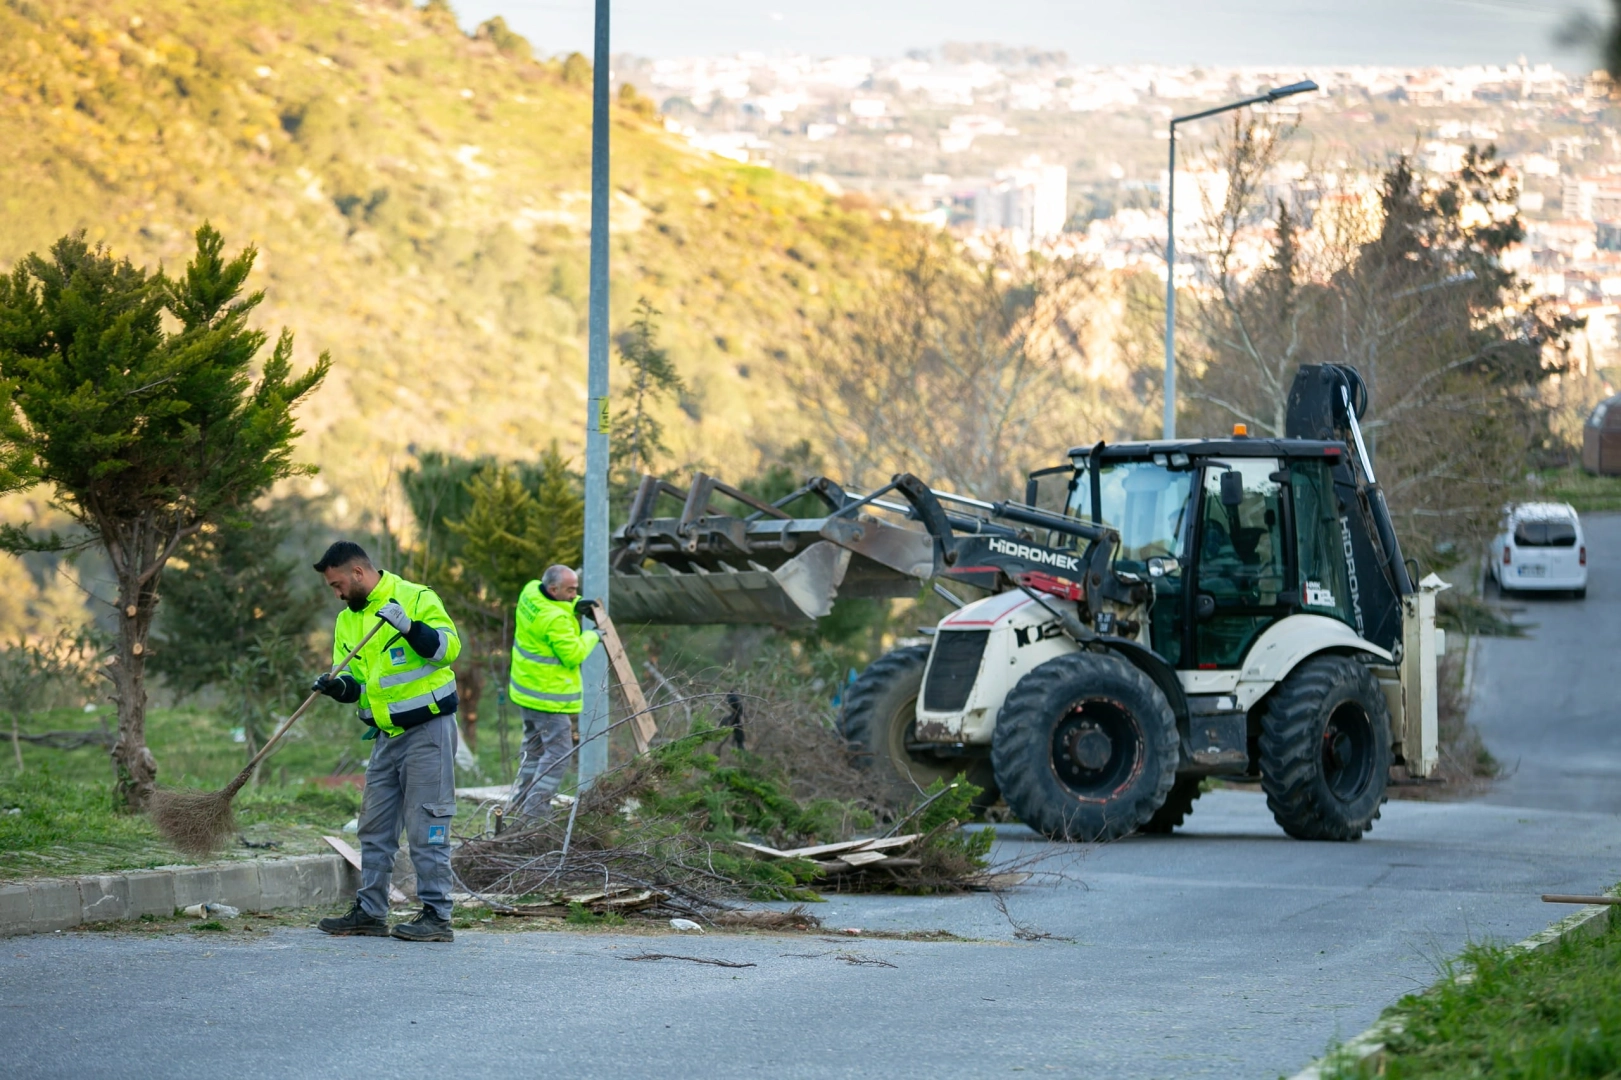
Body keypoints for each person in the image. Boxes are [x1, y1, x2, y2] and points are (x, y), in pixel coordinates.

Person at [308, 541, 462, 943]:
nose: (338, 593)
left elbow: (448, 650)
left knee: (427, 822)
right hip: (385, 737)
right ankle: (370, 912)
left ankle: (436, 916)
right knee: (374, 827)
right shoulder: (347, 622)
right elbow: (359, 686)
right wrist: (336, 686)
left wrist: (409, 627)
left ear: (358, 573)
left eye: (338, 584)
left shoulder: (416, 597)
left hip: (429, 731)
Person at [508, 564, 601, 818]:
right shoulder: (556, 620)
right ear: (553, 589)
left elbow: (554, 604)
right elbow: (573, 654)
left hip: (526, 691)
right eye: (571, 590)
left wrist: (577, 603)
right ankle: (535, 812)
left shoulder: (530, 591)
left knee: (535, 750)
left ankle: (519, 805)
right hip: (549, 700)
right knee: (558, 754)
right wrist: (594, 635)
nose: (574, 594)